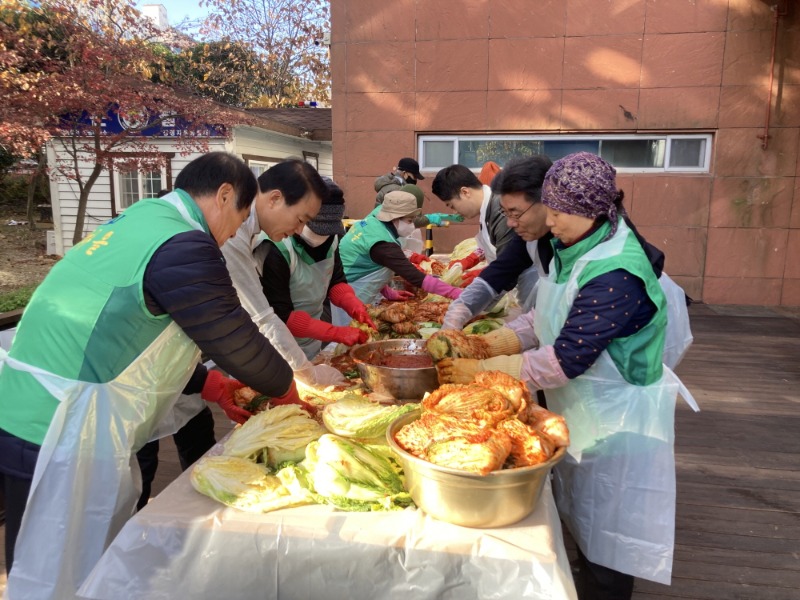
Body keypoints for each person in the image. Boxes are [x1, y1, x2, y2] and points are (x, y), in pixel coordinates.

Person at [0, 152, 308, 599]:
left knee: (56, 557)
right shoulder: (183, 241)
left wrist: (208, 383)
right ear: (224, 195)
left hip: (37, 411)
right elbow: (232, 335)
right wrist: (291, 396)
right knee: (52, 567)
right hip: (57, 425)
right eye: (241, 217)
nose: (234, 235)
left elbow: (135, 333)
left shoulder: (142, 219)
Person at [438, 152, 699, 599]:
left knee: (609, 522)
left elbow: (565, 359)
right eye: (551, 212)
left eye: (557, 213)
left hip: (617, 412)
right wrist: (498, 339)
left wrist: (483, 370)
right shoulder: (574, 243)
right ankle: (584, 573)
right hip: (581, 401)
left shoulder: (616, 271)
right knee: (581, 506)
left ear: (588, 210)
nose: (551, 225)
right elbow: (549, 314)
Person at [442, 155, 692, 370]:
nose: (510, 223)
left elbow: (570, 355)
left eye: (515, 213)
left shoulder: (609, 263)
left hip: (633, 341)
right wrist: (462, 310)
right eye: (505, 214)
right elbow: (505, 273)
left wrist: (488, 366)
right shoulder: (543, 231)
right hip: (585, 342)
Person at [221, 159, 348, 386]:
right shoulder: (234, 234)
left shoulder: (246, 226)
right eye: (300, 220)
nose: (299, 230)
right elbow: (265, 318)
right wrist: (310, 375)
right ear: (275, 199)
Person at [257, 176, 376, 359]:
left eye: (328, 231)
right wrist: (335, 333)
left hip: (311, 339)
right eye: (317, 229)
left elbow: (335, 280)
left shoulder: (332, 238)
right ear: (300, 220)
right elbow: (281, 314)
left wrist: (353, 305)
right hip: (274, 346)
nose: (323, 237)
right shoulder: (276, 248)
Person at [334, 190, 462, 325]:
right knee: (351, 333)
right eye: (409, 221)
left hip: (356, 285)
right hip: (351, 294)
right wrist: (455, 292)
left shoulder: (375, 220)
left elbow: (367, 264)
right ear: (394, 218)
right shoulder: (383, 244)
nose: (412, 226)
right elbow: (415, 277)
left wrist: (387, 292)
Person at [431, 163, 516, 269]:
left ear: (465, 192)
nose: (454, 212)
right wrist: (467, 262)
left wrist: (481, 279)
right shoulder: (485, 209)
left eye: (452, 205)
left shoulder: (501, 210)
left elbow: (507, 266)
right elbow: (487, 247)